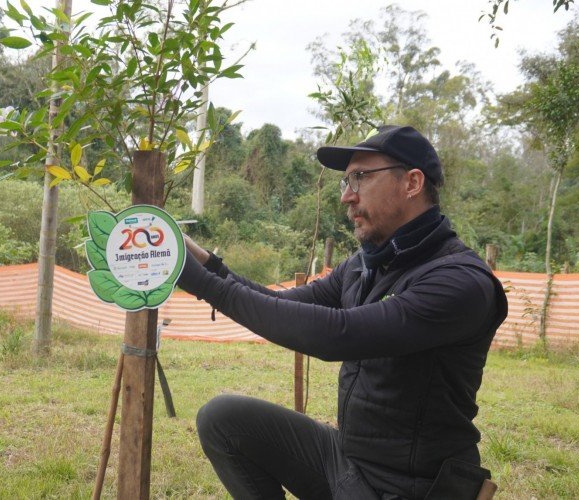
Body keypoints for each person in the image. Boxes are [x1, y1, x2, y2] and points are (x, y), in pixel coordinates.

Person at [176, 125, 508, 499]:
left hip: (409, 485)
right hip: (348, 460)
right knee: (223, 419)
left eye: (360, 178)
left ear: (412, 183)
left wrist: (196, 280)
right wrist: (205, 264)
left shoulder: (458, 281)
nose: (347, 197)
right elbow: (282, 305)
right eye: (346, 182)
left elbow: (337, 335)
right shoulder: (367, 265)